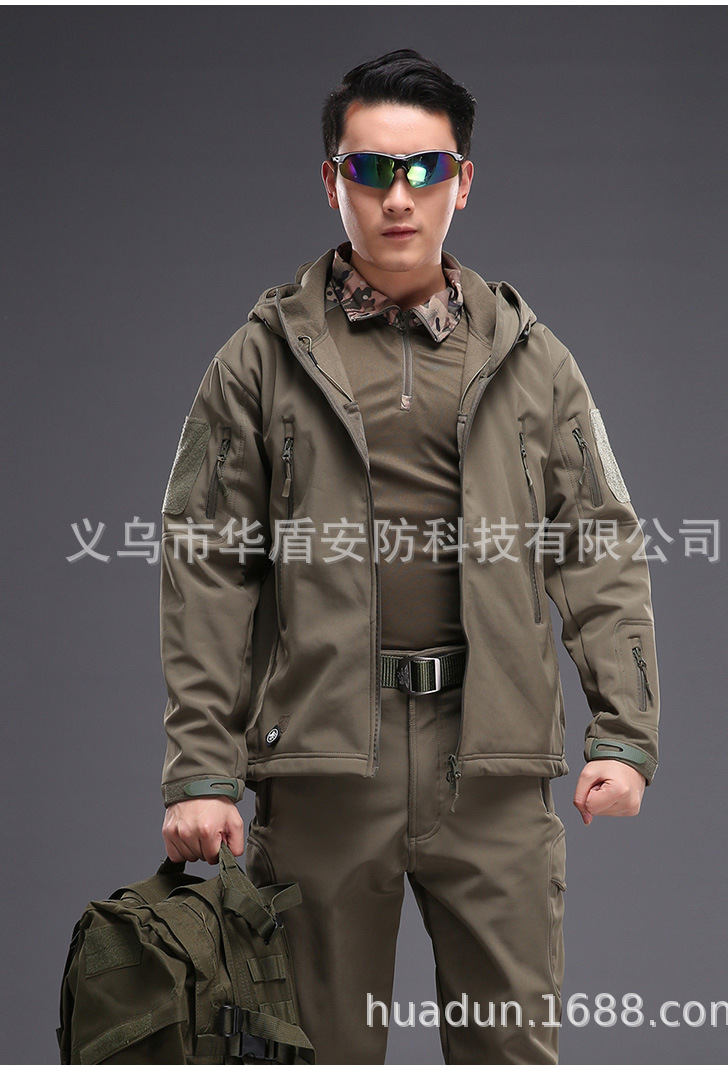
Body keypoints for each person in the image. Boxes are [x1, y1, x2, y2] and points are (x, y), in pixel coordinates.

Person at [159, 49, 660, 1065]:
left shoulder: (532, 359)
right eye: (371, 169)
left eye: (425, 169)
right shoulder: (260, 359)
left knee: (509, 1050)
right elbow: (208, 562)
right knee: (317, 1050)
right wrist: (201, 768)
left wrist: (624, 731)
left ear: (463, 181)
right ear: (331, 179)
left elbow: (598, 540)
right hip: (322, 767)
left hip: (491, 763)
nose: (399, 196)